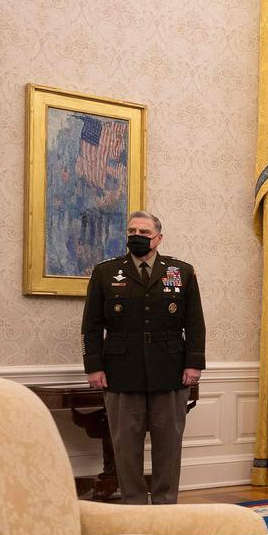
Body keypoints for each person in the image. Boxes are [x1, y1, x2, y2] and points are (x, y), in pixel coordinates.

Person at [81, 210, 205, 504]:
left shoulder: (181, 272)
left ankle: (165, 503)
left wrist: (194, 363)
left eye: (144, 233)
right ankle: (133, 504)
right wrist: (94, 367)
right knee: (125, 445)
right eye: (132, 232)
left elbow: (195, 322)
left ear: (158, 238)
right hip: (121, 371)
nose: (136, 237)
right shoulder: (106, 272)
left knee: (168, 445)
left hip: (171, 370)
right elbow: (91, 325)